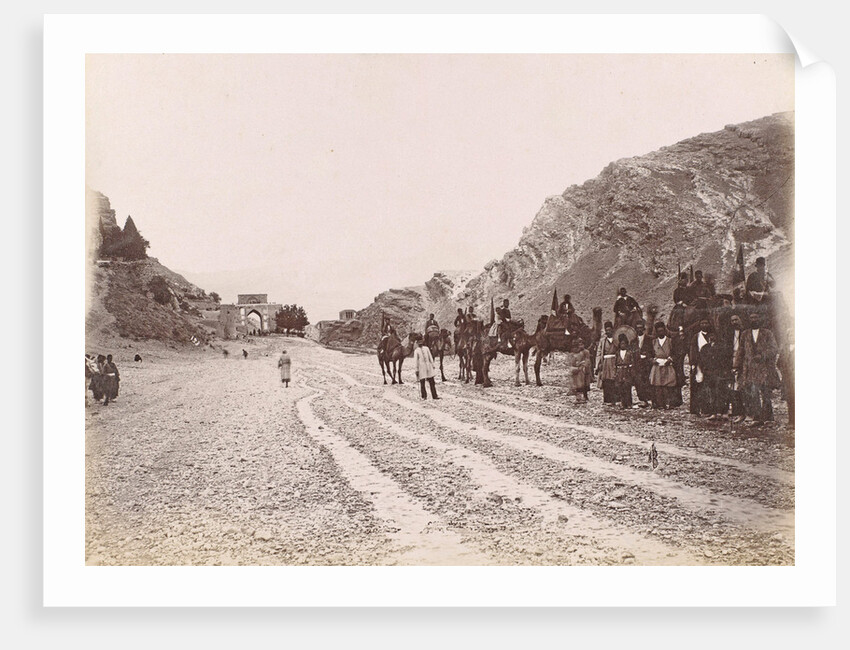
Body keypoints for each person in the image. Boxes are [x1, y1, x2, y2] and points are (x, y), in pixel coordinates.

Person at [733, 311, 780, 426]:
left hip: (764, 369)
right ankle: (757, 418)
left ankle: (768, 418)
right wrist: (736, 365)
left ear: (760, 319)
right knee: (752, 394)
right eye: (751, 318)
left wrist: (763, 355)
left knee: (765, 393)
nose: (754, 320)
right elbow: (741, 351)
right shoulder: (745, 334)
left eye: (756, 318)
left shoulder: (767, 333)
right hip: (750, 369)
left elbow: (774, 349)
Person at [700, 330, 729, 420]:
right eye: (710, 335)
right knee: (711, 393)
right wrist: (705, 370)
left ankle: (723, 412)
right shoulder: (705, 348)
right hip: (709, 373)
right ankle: (713, 413)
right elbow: (701, 361)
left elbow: (725, 360)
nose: (712, 337)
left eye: (714, 335)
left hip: (719, 373)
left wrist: (724, 371)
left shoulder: (722, 347)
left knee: (721, 392)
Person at [649, 322, 677, 409]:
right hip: (657, 365)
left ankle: (669, 403)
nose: (660, 333)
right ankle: (659, 404)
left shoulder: (670, 341)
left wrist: (670, 360)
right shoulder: (654, 342)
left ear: (665, 331)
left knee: (668, 384)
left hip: (667, 364)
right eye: (658, 331)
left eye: (662, 331)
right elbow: (649, 354)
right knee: (657, 384)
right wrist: (653, 360)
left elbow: (675, 353)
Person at [688, 318, 712, 415]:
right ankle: (695, 409)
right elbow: (693, 350)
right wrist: (693, 364)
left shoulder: (712, 335)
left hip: (710, 364)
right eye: (702, 323)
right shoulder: (696, 336)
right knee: (697, 385)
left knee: (708, 386)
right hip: (699, 364)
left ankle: (707, 409)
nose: (704, 324)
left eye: (706, 322)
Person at [726, 314, 746, 419]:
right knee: (733, 386)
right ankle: (736, 410)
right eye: (732, 320)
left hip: (743, 361)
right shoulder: (729, 334)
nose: (734, 322)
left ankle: (745, 412)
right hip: (732, 360)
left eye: (736, 320)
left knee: (742, 386)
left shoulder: (745, 332)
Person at [595, 321, 618, 404]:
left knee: (615, 380)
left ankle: (615, 399)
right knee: (606, 381)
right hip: (605, 362)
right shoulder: (603, 341)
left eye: (610, 329)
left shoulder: (616, 339)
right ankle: (607, 399)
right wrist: (598, 364)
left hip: (614, 361)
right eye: (607, 330)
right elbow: (599, 352)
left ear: (612, 330)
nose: (608, 331)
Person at [632, 320, 653, 407]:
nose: (639, 330)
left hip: (646, 364)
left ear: (643, 329)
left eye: (641, 328)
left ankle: (649, 399)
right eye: (637, 328)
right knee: (638, 382)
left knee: (647, 381)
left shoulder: (649, 339)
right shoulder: (633, 341)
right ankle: (642, 399)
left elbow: (652, 351)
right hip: (637, 364)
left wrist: (647, 355)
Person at [565, 338, 592, 403]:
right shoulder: (575, 353)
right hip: (578, 371)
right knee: (578, 384)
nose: (580, 346)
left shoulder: (585, 352)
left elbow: (587, 360)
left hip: (584, 370)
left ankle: (585, 396)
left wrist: (584, 365)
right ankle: (578, 397)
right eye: (579, 345)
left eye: (582, 344)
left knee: (584, 384)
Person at [614, 334, 636, 409]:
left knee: (627, 387)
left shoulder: (629, 353)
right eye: (621, 344)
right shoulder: (617, 353)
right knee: (620, 387)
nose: (623, 345)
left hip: (627, 371)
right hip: (620, 371)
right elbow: (615, 363)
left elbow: (632, 363)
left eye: (624, 344)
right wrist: (615, 373)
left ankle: (629, 403)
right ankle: (622, 403)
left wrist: (632, 372)